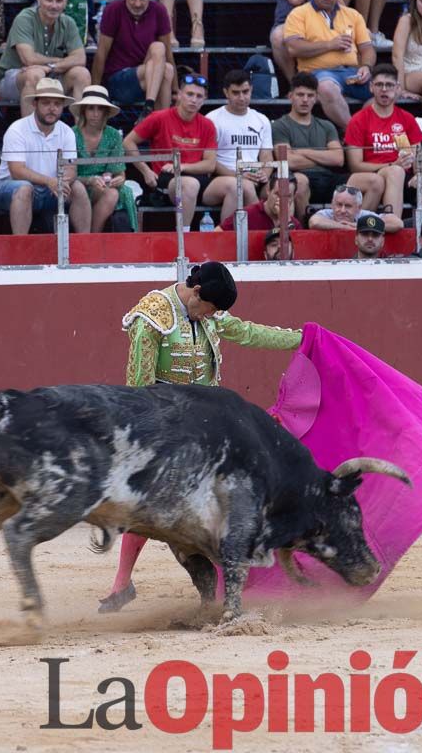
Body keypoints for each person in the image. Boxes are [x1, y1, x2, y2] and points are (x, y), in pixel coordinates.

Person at [100, 261, 303, 612]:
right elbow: (137, 385)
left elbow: (249, 333)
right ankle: (123, 583)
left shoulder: (208, 312)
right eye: (210, 308)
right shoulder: (152, 316)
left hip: (208, 425)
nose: (213, 317)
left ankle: (230, 584)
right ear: (196, 293)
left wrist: (300, 339)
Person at [0, 77, 92, 235]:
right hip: (8, 187)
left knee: (78, 188)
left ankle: (85, 246)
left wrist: (61, 182)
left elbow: (71, 168)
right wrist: (50, 181)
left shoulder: (67, 132)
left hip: (50, 188)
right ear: (34, 104)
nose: (52, 108)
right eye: (46, 103)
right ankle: (20, 248)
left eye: (57, 104)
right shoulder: (17, 129)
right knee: (24, 188)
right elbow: (16, 171)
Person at [283, 0, 376, 131]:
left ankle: (360, 130)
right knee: (326, 88)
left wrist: (366, 67)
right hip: (317, 72)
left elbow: (367, 49)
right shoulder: (299, 13)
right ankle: (355, 134)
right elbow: (293, 48)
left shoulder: (353, 15)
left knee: (387, 88)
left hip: (351, 72)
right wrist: (330, 45)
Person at [123, 72, 217, 231]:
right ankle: (184, 238)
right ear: (179, 95)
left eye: (199, 96)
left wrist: (182, 166)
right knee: (189, 184)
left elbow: (210, 165)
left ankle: (226, 239)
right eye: (189, 94)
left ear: (204, 99)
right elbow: (127, 142)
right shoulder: (159, 117)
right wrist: (145, 170)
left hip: (197, 178)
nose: (194, 99)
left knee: (235, 186)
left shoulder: (207, 124)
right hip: (168, 180)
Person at [0, 0, 92, 117]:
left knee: (82, 74)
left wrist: (50, 67)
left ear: (65, 2)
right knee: (35, 74)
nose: (54, 5)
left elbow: (80, 58)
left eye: (59, 0)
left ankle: (80, 136)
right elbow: (29, 60)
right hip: (14, 78)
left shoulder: (68, 22)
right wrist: (59, 62)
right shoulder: (24, 18)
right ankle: (31, 137)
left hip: (50, 76)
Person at [344, 63, 422, 215]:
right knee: (395, 171)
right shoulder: (359, 120)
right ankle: (393, 222)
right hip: (371, 176)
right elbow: (355, 165)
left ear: (398, 88)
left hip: (404, 178)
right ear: (371, 87)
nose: (384, 89)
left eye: (389, 85)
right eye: (379, 85)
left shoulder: (406, 119)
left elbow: (419, 157)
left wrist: (420, 175)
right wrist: (392, 164)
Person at [90, 0, 175, 111]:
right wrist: (94, 91)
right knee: (164, 68)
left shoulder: (159, 11)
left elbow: (168, 54)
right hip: (119, 79)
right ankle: (157, 118)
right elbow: (102, 53)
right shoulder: (114, 10)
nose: (138, 3)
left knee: (162, 56)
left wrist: (176, 90)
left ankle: (151, 110)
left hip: (149, 78)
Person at [206, 69, 277, 224]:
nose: (242, 97)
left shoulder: (261, 119)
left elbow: (266, 156)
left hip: (255, 177)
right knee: (243, 186)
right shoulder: (212, 119)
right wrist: (237, 175)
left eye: (245, 92)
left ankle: (287, 231)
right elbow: (210, 161)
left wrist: (265, 173)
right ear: (226, 93)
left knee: (284, 188)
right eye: (236, 93)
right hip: (223, 178)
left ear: (251, 89)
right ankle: (257, 232)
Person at [271, 72, 345, 208]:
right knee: (300, 181)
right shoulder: (279, 125)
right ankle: (299, 227)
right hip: (299, 177)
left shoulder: (327, 125)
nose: (305, 100)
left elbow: (338, 159)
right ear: (290, 96)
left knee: (371, 181)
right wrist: (323, 158)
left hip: (328, 179)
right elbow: (288, 161)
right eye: (300, 95)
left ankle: (360, 226)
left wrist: (302, 151)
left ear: (316, 98)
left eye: (310, 95)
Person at [71, 85, 137, 232]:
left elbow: (119, 173)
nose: (95, 114)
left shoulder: (113, 135)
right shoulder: (71, 134)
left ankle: (93, 237)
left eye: (99, 109)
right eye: (91, 108)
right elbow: (67, 174)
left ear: (106, 112)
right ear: (84, 111)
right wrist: (89, 180)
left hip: (104, 187)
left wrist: (119, 179)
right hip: (77, 186)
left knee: (113, 192)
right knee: (102, 192)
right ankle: (89, 238)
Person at [220, 171, 304, 231]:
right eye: (277, 194)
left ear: (294, 197)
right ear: (268, 191)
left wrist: (286, 220)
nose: (281, 200)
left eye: (287, 196)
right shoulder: (247, 214)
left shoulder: (294, 224)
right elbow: (218, 233)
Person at [308, 182, 402, 230]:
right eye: (339, 205)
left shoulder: (363, 215)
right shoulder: (327, 214)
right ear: (332, 204)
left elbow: (397, 223)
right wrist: (345, 227)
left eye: (348, 206)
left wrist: (358, 226)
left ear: (359, 208)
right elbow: (314, 222)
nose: (342, 210)